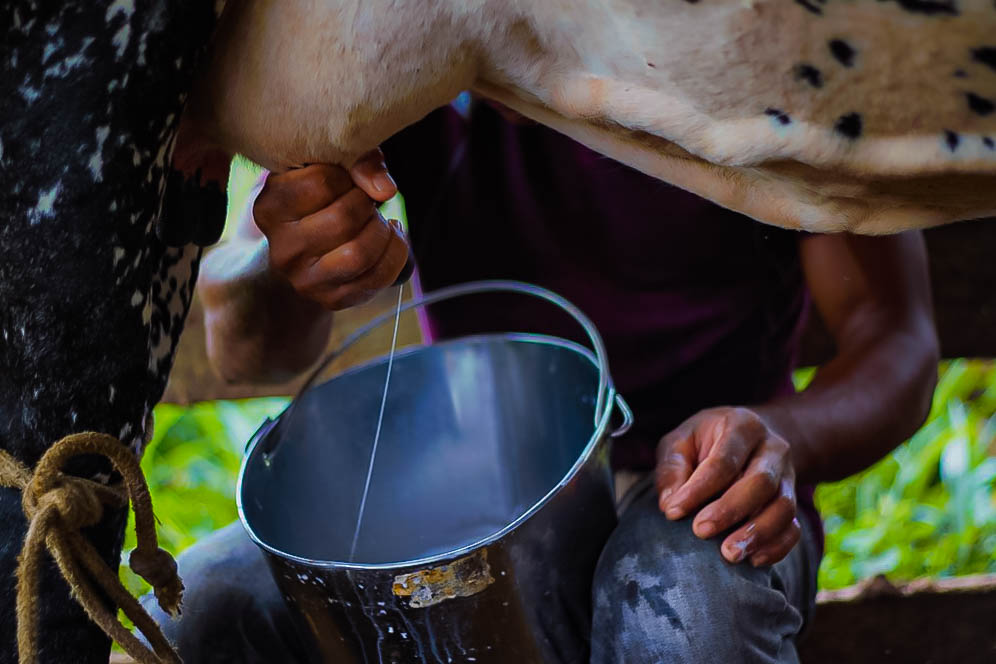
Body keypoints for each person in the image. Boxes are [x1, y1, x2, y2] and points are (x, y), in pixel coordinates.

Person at [145, 98, 939, 663]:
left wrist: (777, 438)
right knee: (199, 610)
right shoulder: (399, 62)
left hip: (698, 483)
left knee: (683, 605)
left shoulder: (761, 68)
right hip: (484, 480)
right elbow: (245, 347)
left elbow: (895, 341)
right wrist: (291, 254)